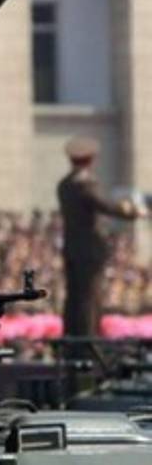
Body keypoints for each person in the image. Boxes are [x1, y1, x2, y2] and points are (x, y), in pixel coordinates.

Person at [56, 136, 146, 345]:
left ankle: (72, 340)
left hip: (71, 247)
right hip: (89, 249)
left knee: (74, 296)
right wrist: (133, 211)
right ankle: (89, 344)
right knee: (90, 297)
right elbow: (104, 205)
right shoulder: (86, 184)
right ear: (91, 159)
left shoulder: (64, 184)